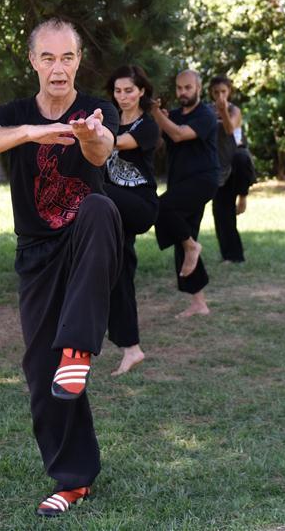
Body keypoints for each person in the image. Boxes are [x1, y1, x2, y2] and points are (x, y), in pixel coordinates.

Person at [0, 18, 122, 517]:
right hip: (35, 251)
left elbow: (102, 152)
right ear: (33, 60)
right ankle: (74, 480)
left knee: (99, 207)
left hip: (84, 243)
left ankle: (78, 347)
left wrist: (89, 135)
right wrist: (33, 133)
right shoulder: (13, 113)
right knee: (41, 371)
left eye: (68, 57)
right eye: (49, 57)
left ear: (79, 61)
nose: (59, 68)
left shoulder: (97, 110)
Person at [103, 65, 160, 376]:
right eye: (117, 91)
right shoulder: (109, 121)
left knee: (94, 188)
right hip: (116, 210)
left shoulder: (147, 126)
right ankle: (131, 348)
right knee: (118, 274)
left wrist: (87, 135)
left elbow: (117, 143)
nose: (122, 96)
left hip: (139, 205)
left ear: (141, 92)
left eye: (129, 90)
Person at [152, 70, 219, 318]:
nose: (183, 92)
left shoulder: (206, 115)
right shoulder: (174, 115)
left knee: (162, 207)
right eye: (179, 88)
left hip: (203, 180)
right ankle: (199, 303)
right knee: (183, 235)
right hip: (180, 182)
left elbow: (179, 134)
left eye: (188, 87)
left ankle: (192, 246)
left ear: (198, 88)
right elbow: (161, 144)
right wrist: (160, 120)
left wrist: (157, 114)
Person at [209, 75, 254, 263]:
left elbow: (229, 129)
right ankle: (231, 255)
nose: (220, 96)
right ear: (211, 93)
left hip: (237, 164)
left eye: (223, 92)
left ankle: (243, 198)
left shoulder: (235, 111)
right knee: (221, 211)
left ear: (229, 92)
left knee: (242, 157)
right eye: (216, 92)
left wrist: (223, 111)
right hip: (218, 165)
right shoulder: (207, 111)